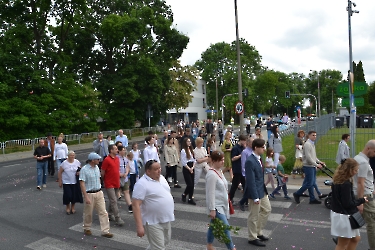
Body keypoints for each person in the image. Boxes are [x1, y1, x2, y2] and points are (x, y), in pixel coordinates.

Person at [132, 160, 175, 250]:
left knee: (164, 241)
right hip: (152, 221)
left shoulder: (162, 178)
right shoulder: (141, 184)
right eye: (156, 169)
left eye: (159, 168)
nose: (159, 170)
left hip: (166, 219)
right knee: (159, 247)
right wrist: (139, 226)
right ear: (148, 171)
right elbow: (136, 205)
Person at [331, 158, 367, 250]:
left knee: (355, 238)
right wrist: (361, 200)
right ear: (349, 170)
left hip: (339, 214)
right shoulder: (346, 184)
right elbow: (348, 203)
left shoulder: (337, 180)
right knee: (342, 243)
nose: (356, 172)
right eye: (355, 170)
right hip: (344, 216)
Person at [206, 151, 237, 250]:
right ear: (214, 161)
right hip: (216, 206)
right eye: (220, 160)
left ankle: (209, 245)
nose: (222, 162)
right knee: (225, 227)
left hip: (222, 203)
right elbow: (210, 193)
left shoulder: (219, 171)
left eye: (223, 160)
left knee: (213, 225)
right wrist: (212, 209)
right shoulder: (211, 175)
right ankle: (231, 248)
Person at [243, 138, 271, 247]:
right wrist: (255, 197)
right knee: (253, 215)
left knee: (267, 209)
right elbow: (250, 180)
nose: (264, 149)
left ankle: (258, 232)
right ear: (256, 148)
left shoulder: (260, 158)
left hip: (261, 190)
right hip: (254, 192)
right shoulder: (250, 161)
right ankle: (252, 237)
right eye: (262, 147)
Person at [79, 152, 113, 238]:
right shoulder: (84, 169)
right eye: (97, 159)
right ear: (92, 160)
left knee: (103, 212)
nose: (99, 160)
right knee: (88, 213)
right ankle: (87, 227)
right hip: (90, 193)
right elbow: (82, 183)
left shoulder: (97, 167)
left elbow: (99, 178)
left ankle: (105, 231)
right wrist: (86, 196)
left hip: (99, 192)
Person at [353, 140, 375, 250]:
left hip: (366, 194)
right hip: (366, 197)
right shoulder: (363, 162)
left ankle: (341, 239)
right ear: (368, 149)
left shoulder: (359, 158)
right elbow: (360, 183)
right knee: (372, 224)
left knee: (355, 219)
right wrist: (361, 201)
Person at [293, 131, 324, 205]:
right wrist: (316, 165)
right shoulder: (307, 144)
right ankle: (297, 193)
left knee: (311, 183)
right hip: (308, 166)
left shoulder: (312, 144)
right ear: (309, 136)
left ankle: (312, 199)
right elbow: (308, 157)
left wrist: (319, 162)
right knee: (309, 183)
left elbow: (313, 156)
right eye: (313, 135)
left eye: (315, 135)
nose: (314, 136)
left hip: (312, 165)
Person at [101, 144, 124, 226]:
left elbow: (117, 170)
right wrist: (103, 181)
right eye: (115, 149)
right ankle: (118, 218)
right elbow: (103, 172)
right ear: (111, 150)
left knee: (113, 200)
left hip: (116, 182)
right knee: (113, 200)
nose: (117, 150)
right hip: (109, 183)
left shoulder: (117, 159)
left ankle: (110, 214)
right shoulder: (107, 160)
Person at [228, 135, 247, 202]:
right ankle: (230, 198)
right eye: (244, 141)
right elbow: (233, 159)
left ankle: (246, 200)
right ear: (241, 140)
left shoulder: (243, 147)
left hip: (242, 169)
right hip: (237, 169)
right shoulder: (235, 148)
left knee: (245, 185)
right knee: (235, 185)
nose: (245, 143)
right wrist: (241, 155)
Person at [238, 137, 254, 211]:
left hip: (253, 172)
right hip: (248, 174)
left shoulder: (253, 151)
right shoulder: (245, 152)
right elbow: (243, 164)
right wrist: (245, 174)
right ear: (248, 143)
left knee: (249, 189)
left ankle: (244, 202)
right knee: (249, 189)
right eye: (252, 142)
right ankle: (242, 202)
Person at [181, 137, 196, 205]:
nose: (189, 143)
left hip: (191, 166)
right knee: (189, 184)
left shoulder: (191, 149)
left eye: (190, 141)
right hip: (186, 168)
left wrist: (193, 167)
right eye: (188, 141)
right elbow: (183, 162)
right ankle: (184, 194)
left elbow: (194, 159)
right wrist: (189, 169)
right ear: (185, 142)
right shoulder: (183, 151)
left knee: (192, 184)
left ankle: (190, 198)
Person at [117, 146, 133, 213]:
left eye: (124, 150)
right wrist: (120, 174)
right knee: (115, 194)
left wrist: (126, 173)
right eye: (123, 150)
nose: (124, 151)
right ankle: (111, 210)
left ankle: (130, 206)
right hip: (118, 178)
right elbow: (115, 169)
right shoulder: (117, 159)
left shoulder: (125, 159)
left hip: (124, 178)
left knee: (126, 191)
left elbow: (127, 166)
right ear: (119, 151)